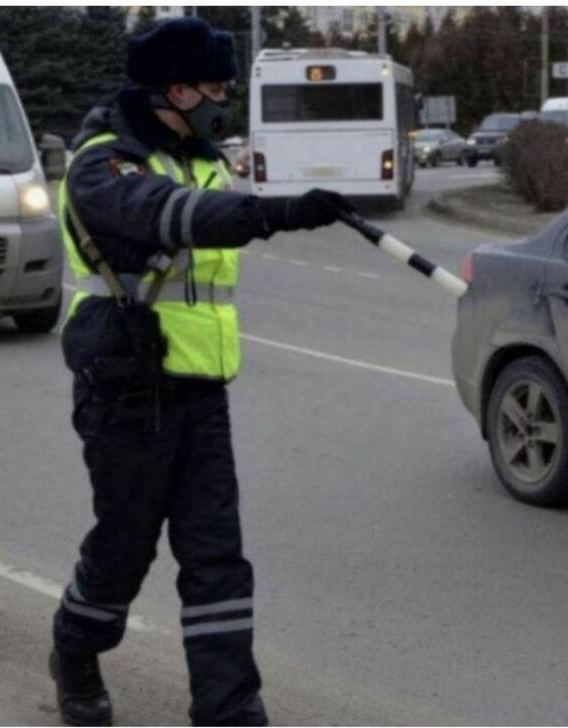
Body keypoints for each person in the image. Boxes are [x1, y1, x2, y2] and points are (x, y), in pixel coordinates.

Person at [49, 17, 352, 728]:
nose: (224, 100)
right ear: (175, 89)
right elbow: (168, 216)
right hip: (126, 385)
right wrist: (272, 213)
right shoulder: (105, 161)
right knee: (125, 547)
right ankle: (76, 649)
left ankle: (230, 711)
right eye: (216, 87)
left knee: (217, 558)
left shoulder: (204, 155)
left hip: (202, 390)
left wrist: (292, 205)